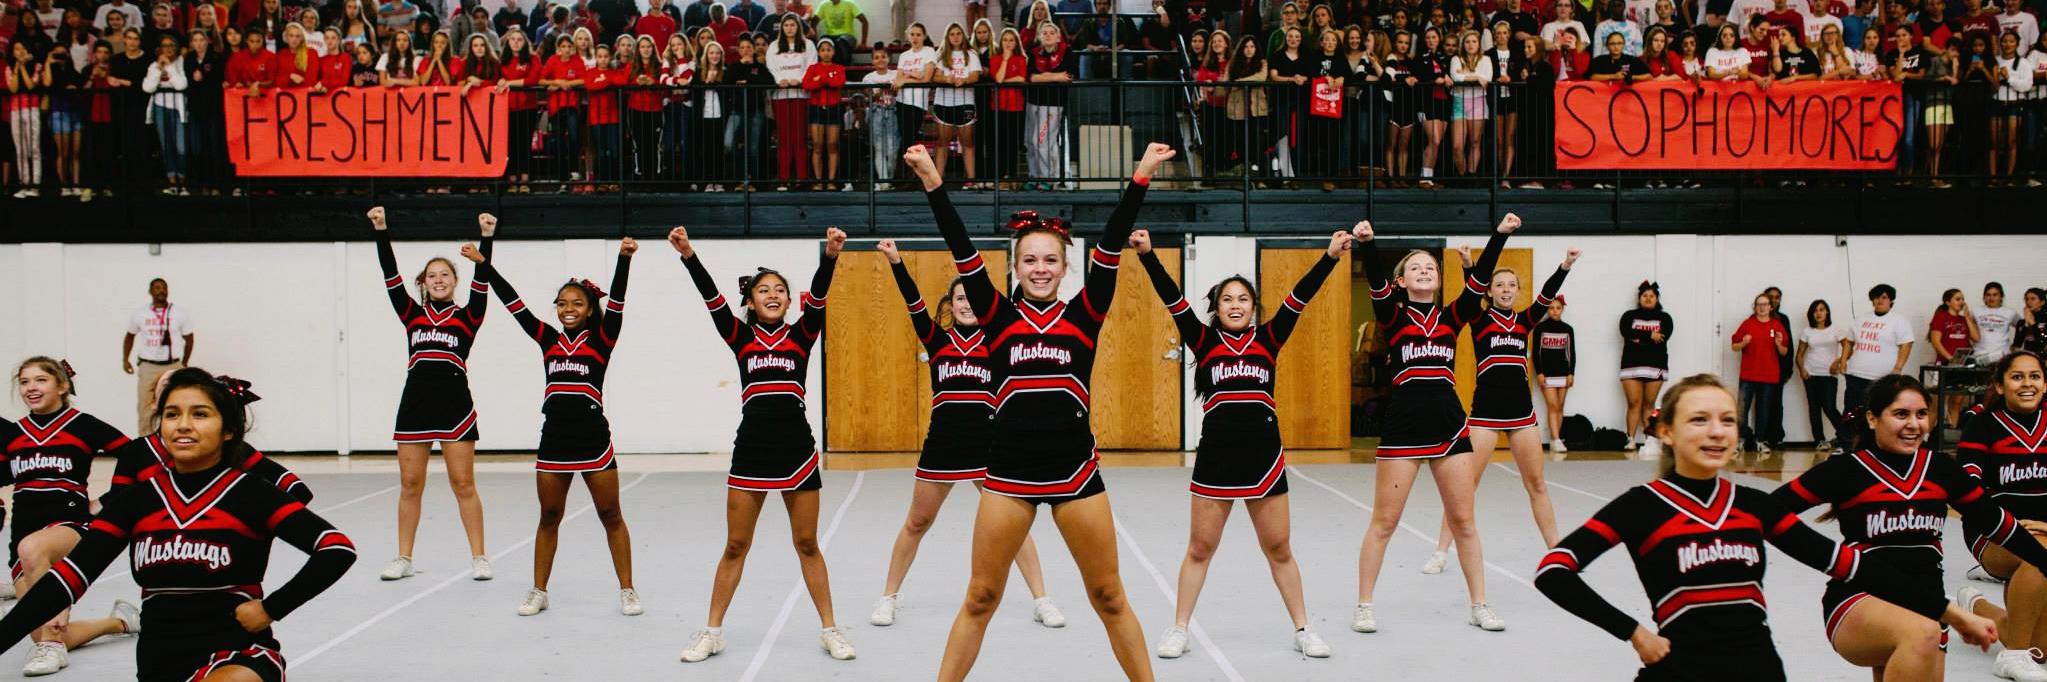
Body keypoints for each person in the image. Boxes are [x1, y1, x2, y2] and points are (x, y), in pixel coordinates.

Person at [1534, 374, 1998, 679]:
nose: (1716, 431)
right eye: (1699, 420)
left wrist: (1952, 615)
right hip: (1680, 667)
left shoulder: (1753, 506)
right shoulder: (1643, 506)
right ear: (1667, 431)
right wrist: (1634, 633)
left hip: (1759, 669)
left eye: (1727, 421)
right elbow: (1553, 570)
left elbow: (1851, 566)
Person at [915, 142, 1174, 682]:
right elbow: (959, 245)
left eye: (1050, 260)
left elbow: (1109, 245)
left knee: (1108, 594)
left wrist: (1141, 177)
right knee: (982, 596)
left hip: (1075, 472)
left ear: (1064, 268)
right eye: (1029, 259)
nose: (1039, 268)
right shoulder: (997, 316)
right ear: (1014, 266)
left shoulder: (1085, 313)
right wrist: (933, 183)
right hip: (1007, 476)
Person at [0, 368, 356, 682]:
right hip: (159, 659)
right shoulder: (136, 501)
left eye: (200, 414)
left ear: (229, 429)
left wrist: (271, 608)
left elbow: (335, 549)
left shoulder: (250, 493)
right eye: (172, 414)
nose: (183, 424)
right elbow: (66, 580)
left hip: (237, 651)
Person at [1136, 228, 1349, 660]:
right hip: (1216, 460)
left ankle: (1303, 628)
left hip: (1263, 460)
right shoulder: (1203, 340)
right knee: (1200, 548)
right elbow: (1170, 295)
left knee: (1279, 549)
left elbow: (1300, 298)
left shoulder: (1269, 339)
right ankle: (1179, 628)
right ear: (1216, 308)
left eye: (1243, 299)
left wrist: (1329, 256)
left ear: (1254, 308)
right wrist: (1147, 256)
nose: (1236, 305)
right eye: (1227, 300)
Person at [1774, 374, 2047, 680]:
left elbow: (1998, 524)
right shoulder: (1846, 470)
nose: (1914, 424)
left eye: (1921, 414)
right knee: (1920, 632)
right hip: (1860, 598)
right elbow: (1768, 512)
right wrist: (1827, 555)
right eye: (1900, 414)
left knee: (1922, 634)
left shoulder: (1941, 469)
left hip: (1930, 604)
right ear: (1872, 418)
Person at [672, 225, 858, 662]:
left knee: (807, 544)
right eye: (762, 290)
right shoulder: (740, 337)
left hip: (796, 451)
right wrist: (688, 255)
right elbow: (711, 300)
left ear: (789, 301)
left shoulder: (801, 335)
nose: (772, 295)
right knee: (736, 545)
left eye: (779, 290)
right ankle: (712, 631)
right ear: (751, 301)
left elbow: (819, 297)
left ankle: (831, 629)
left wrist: (830, 257)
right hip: (752, 451)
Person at [865, 238, 1068, 631]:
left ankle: (1042, 599)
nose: (967, 304)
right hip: (943, 445)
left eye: (972, 298)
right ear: (951, 305)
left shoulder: (998, 341)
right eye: (960, 299)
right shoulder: (937, 340)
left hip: (991, 447)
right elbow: (912, 303)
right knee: (917, 522)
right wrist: (896, 261)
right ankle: (888, 596)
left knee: (1014, 526)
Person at [1352, 214, 1522, 635]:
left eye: (1430, 267)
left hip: (1448, 421)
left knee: (1464, 521)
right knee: (1384, 522)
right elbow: (1375, 280)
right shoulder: (1392, 316)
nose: (1425, 271)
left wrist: (1498, 236)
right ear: (1402, 281)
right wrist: (1368, 244)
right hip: (1405, 424)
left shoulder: (1451, 317)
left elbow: (1479, 282)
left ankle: (1479, 604)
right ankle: (1365, 605)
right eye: (1416, 268)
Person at [487, 229, 640, 618]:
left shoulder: (602, 339)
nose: (568, 308)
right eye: (562, 303)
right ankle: (539, 590)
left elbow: (619, 302)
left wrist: (624, 259)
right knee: (549, 517)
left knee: (611, 515)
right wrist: (484, 265)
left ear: (589, 309)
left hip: (592, 439)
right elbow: (514, 305)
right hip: (554, 439)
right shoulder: (548, 339)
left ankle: (628, 589)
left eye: (577, 303)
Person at [1425, 247, 1579, 573]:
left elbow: (1547, 294)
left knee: (1536, 484)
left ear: (1517, 291)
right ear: (1490, 291)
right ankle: (1440, 552)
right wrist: (1468, 266)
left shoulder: (1525, 321)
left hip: (1522, 415)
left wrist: (1564, 265)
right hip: (1485, 414)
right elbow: (1472, 289)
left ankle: (1558, 552)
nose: (1506, 290)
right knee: (1465, 486)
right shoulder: (1480, 320)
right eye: (1500, 285)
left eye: (1511, 285)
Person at [364, 208, 495, 583]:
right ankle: (404, 557)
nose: (439, 280)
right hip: (415, 407)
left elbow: (483, 280)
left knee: (463, 483)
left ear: (455, 281)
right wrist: (381, 230)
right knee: (409, 485)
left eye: (446, 275)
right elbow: (390, 277)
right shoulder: (412, 315)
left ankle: (479, 557)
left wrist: (486, 237)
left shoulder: (469, 316)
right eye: (432, 276)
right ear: (423, 282)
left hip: (455, 407)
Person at [0, 358, 137, 676]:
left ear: (62, 386)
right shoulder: (12, 434)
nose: (31, 387)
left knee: (34, 550)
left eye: (40, 380)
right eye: (24, 382)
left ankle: (52, 648)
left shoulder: (83, 425)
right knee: (42, 633)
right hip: (22, 534)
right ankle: (120, 621)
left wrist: (107, 501)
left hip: (69, 524)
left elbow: (136, 456)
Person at [1953, 351, 2047, 680]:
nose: (2027, 384)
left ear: (2045, 383)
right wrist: (2010, 529)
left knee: (2044, 647)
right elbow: (1967, 491)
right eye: (2017, 377)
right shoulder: (1982, 424)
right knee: (2036, 552)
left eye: (2034, 376)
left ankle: (1974, 609)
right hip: (1993, 532)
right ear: (2000, 385)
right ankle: (2013, 656)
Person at [123, 278, 195, 436]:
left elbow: (189, 338)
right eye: (157, 288)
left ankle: (173, 439)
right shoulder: (140, 314)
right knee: (145, 406)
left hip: (172, 365)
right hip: (148, 366)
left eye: (164, 287)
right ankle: (145, 443)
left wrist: (184, 362)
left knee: (176, 403)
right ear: (150, 291)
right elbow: (129, 336)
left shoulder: (179, 313)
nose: (161, 291)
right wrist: (125, 359)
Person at [1732, 292, 1790, 454]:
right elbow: (1734, 346)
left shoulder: (1777, 325)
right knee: (1742, 408)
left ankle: (1760, 440)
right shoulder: (1747, 324)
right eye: (1759, 304)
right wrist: (1743, 342)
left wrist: (1779, 344)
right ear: (1755, 307)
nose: (1762, 307)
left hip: (1769, 375)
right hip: (1748, 374)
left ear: (1771, 307)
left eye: (1765, 304)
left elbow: (1784, 351)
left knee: (1763, 409)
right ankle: (1741, 440)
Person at [1620, 281, 1674, 449]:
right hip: (1631, 365)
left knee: (1649, 404)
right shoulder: (1628, 316)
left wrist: (1639, 338)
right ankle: (1631, 439)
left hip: (1655, 364)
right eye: (1645, 296)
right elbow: (1627, 333)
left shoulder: (1665, 318)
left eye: (1652, 296)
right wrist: (1650, 335)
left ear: (1657, 299)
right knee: (1633, 403)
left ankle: (1650, 441)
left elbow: (1663, 337)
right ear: (1639, 298)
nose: (1648, 299)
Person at [930, 23, 983, 189]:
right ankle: (938, 179)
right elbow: (935, 76)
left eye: (958, 33)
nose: (955, 36)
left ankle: (971, 180)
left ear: (963, 35)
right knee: (941, 143)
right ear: (947, 36)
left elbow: (975, 75)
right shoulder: (940, 54)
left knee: (967, 142)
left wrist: (963, 80)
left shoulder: (971, 54)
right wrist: (948, 79)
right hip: (943, 103)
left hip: (965, 103)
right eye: (952, 33)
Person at [766, 14, 817, 188]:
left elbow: (812, 66)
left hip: (801, 96)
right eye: (786, 25)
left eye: (792, 25)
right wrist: (780, 80)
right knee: (784, 138)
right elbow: (770, 67)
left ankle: (802, 178)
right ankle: (784, 178)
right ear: (782, 27)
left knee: (800, 138)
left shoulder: (808, 45)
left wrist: (800, 80)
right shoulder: (774, 46)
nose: (789, 28)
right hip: (781, 97)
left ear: (798, 27)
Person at [1023, 21, 1073, 190]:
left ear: (1058, 36)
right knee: (1030, 142)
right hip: (1032, 102)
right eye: (1045, 33)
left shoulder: (1067, 51)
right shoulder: (1034, 53)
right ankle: (1034, 176)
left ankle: (1047, 178)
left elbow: (1068, 76)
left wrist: (1042, 76)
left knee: (1042, 141)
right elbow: (1031, 77)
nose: (1048, 35)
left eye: (1052, 32)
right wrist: (1054, 76)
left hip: (1053, 104)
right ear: (1039, 36)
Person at [1798, 299, 1850, 451]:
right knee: (1814, 408)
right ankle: (1819, 440)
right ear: (1811, 314)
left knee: (1829, 407)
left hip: (1828, 375)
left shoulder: (1836, 330)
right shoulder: (1807, 332)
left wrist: (1839, 362)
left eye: (1822, 309)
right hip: (1811, 374)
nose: (1819, 313)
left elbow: (1849, 348)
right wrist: (1802, 369)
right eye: (1815, 310)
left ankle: (1845, 437)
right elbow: (1800, 354)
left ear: (1827, 312)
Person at [1534, 295, 1576, 450]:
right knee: (1552, 405)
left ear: (1562, 309)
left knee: (1560, 406)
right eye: (1551, 308)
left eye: (1558, 308)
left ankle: (1554, 439)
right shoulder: (1540, 328)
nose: (1554, 311)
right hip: (1547, 374)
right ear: (1547, 310)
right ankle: (1557, 439)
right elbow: (1536, 353)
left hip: (1563, 373)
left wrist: (1571, 373)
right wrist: (1539, 373)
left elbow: (1571, 352)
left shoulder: (1567, 329)